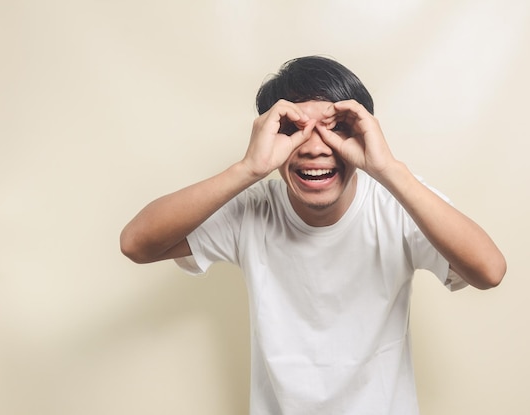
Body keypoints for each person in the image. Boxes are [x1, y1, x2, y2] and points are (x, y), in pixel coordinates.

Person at [120, 55, 506, 415]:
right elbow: (136, 243)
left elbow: (489, 271)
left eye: (338, 129)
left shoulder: (397, 201)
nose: (317, 148)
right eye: (293, 130)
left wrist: (387, 169)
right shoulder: (253, 209)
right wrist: (248, 168)